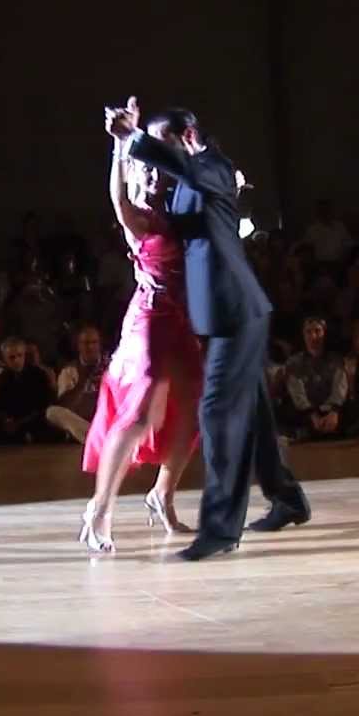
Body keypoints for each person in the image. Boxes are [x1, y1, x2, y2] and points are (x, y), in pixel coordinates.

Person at [108, 97, 310, 561]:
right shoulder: (188, 181)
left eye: (165, 144)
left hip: (237, 313)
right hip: (223, 315)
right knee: (255, 416)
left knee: (217, 414)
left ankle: (219, 531)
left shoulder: (214, 166)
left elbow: (196, 173)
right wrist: (126, 153)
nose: (159, 155)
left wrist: (135, 140)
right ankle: (288, 499)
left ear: (188, 138)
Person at [77, 129, 204, 552]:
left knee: (192, 411)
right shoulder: (140, 218)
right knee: (140, 416)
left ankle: (162, 495)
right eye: (144, 169)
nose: (152, 176)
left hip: (181, 321)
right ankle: (100, 509)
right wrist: (118, 146)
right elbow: (117, 200)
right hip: (150, 321)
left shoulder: (177, 209)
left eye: (157, 168)